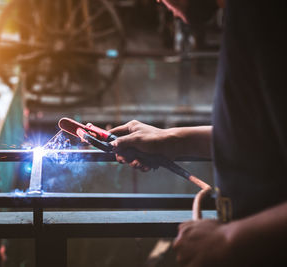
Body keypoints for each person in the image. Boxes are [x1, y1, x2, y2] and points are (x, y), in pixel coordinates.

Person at [109, 0, 287, 266]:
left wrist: (230, 238)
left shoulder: (266, 16)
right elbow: (261, 138)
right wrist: (170, 140)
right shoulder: (244, 15)